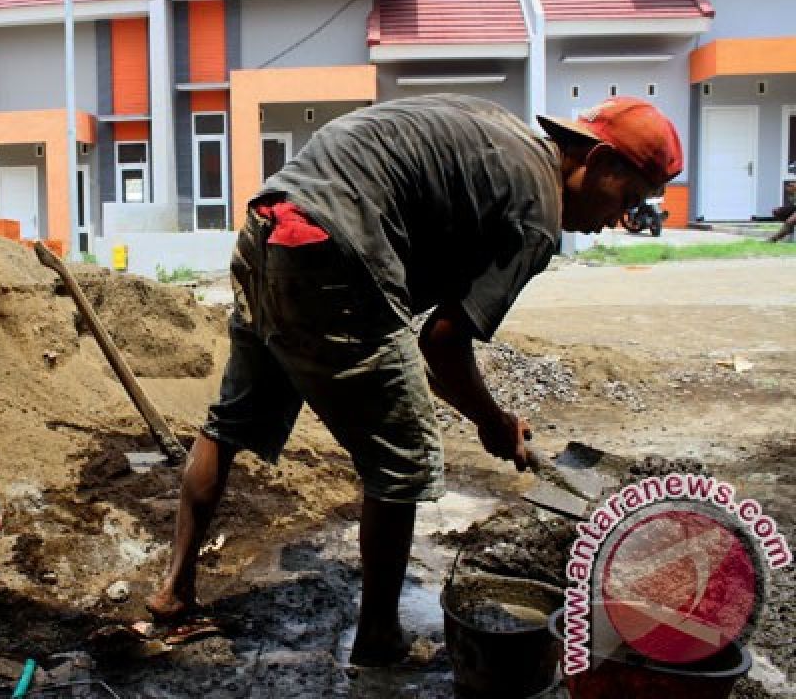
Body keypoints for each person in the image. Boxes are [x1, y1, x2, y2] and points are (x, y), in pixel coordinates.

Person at [146, 94, 683, 666]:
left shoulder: (500, 132)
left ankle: (174, 593)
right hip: (336, 246)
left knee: (230, 424)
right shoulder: (537, 212)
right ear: (598, 161)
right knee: (403, 458)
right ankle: (379, 638)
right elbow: (442, 346)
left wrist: (486, 415)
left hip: (271, 223)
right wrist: (494, 421)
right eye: (627, 198)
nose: (617, 221)